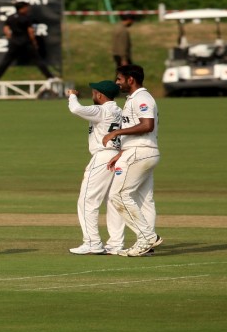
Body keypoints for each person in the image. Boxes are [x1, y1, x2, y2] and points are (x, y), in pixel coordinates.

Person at [102, 65, 162, 257]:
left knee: (118, 195)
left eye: (119, 79)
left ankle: (147, 236)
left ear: (130, 80)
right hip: (141, 151)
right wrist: (121, 153)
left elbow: (147, 125)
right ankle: (145, 244)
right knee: (145, 200)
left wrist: (117, 132)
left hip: (139, 153)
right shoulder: (134, 99)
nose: (117, 82)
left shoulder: (142, 98)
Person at [66, 81, 125, 255]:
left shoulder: (101, 110)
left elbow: (76, 109)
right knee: (113, 201)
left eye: (94, 92)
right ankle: (116, 244)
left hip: (103, 156)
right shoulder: (120, 112)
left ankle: (92, 243)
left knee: (87, 200)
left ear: (99, 95)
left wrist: (72, 95)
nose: (93, 95)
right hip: (118, 156)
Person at [0, 2, 57, 82]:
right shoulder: (26, 18)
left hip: (15, 42)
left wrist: (10, 38)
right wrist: (34, 42)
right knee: (37, 60)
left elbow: (6, 29)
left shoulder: (11, 17)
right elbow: (30, 31)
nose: (28, 9)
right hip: (26, 42)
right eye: (26, 8)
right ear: (22, 8)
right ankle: (50, 77)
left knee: (6, 61)